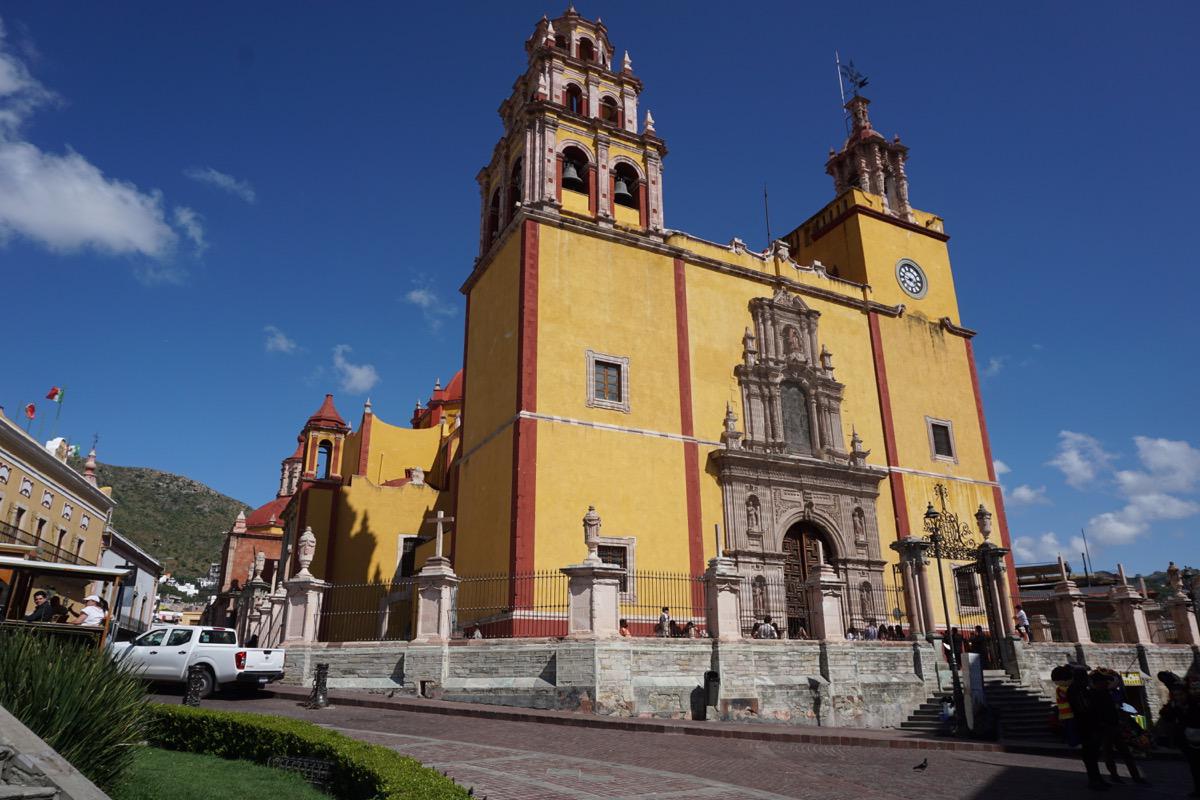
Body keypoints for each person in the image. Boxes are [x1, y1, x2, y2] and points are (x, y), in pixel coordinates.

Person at [1066, 664, 1109, 791]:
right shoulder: (1077, 690)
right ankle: (1094, 779)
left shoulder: (1080, 689)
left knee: (1093, 754)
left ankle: (1097, 778)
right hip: (1086, 725)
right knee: (1090, 754)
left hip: (1088, 725)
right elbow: (1084, 707)